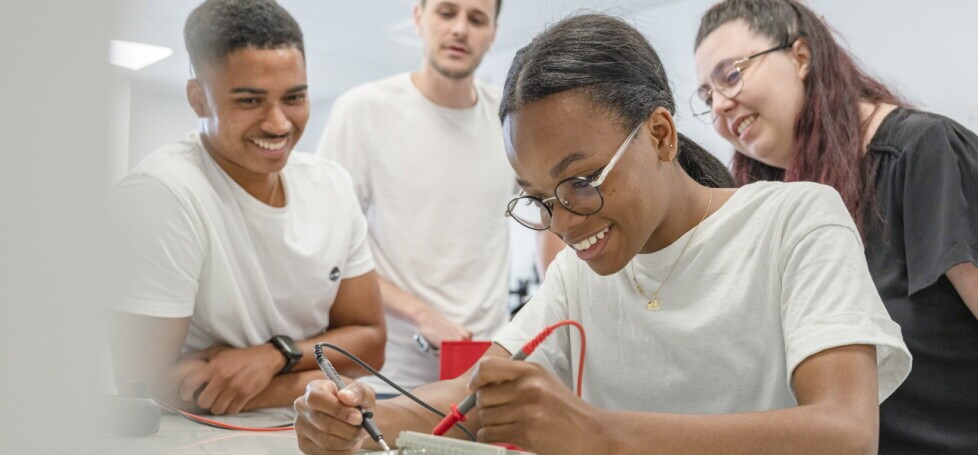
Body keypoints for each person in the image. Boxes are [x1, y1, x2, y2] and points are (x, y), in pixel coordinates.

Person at [294, 14, 912, 454]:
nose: (563, 223)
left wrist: (600, 435)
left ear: (661, 136)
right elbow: (473, 394)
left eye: (581, 182)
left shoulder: (796, 221)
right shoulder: (577, 274)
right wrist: (363, 415)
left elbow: (844, 432)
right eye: (538, 201)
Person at [691, 1, 978, 454]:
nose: (721, 105)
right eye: (707, 96)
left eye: (731, 75)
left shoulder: (928, 154)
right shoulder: (779, 209)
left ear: (800, 57)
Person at [106, 0, 386, 415]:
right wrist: (317, 379)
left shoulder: (332, 185)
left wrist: (277, 356)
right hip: (199, 439)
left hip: (314, 429)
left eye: (294, 97)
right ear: (199, 99)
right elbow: (143, 386)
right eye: (250, 101)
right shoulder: (162, 193)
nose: (278, 124)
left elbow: (370, 343)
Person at [315, 0, 561, 396]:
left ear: (493, 33)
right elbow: (329, 250)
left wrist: (555, 297)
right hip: (384, 375)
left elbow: (551, 212)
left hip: (481, 370)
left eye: (476, 18)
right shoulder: (363, 111)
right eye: (447, 13)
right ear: (418, 18)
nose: (461, 29)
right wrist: (419, 313)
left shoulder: (510, 121)